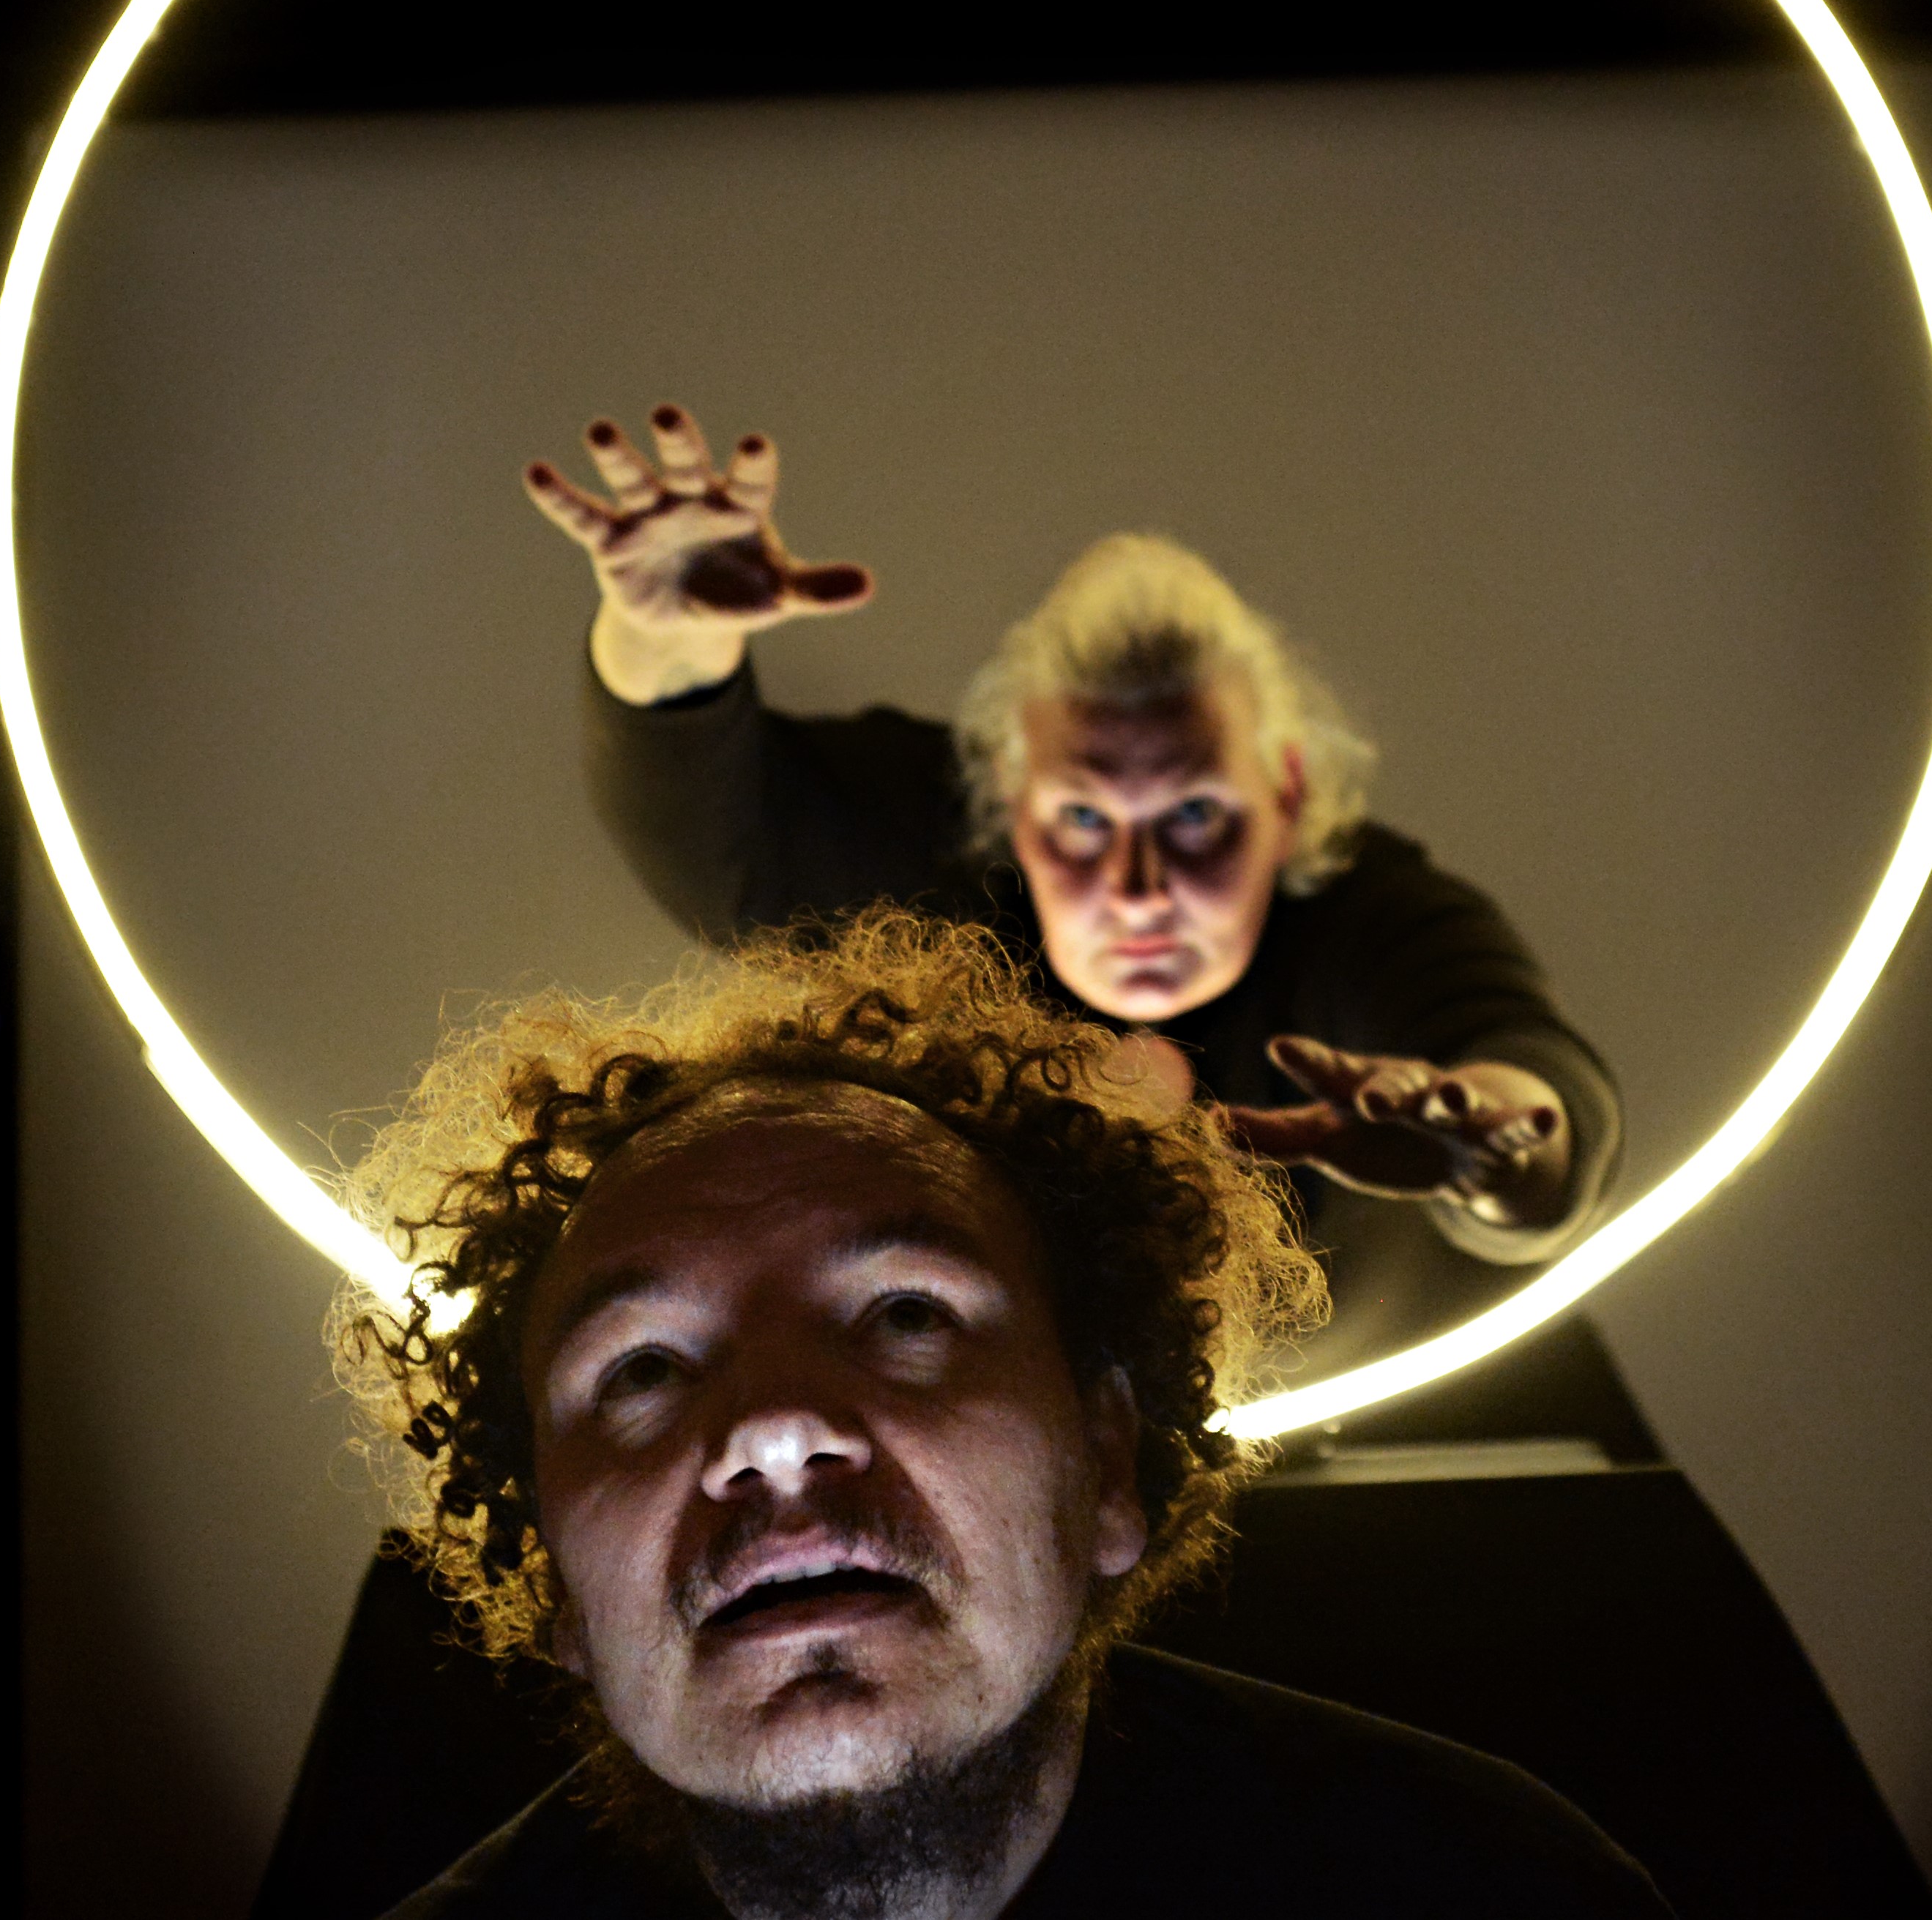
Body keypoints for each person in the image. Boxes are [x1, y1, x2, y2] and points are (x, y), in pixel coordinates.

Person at [340, 911, 1676, 1919]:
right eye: (640, 1371)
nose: (776, 1427)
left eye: (904, 1315)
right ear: (560, 1583)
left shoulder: (1497, 1891)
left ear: (1107, 1461)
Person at [526, 404, 1644, 1448]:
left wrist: (1496, 1148)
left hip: (1422, 1449)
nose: (1138, 884)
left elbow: (1527, 1073)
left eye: (1195, 816)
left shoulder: (1370, 913)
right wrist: (664, 638)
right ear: (1011, 801)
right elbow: (707, 817)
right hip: (1022, 1467)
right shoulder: (933, 867)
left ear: (1288, 794)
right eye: (1081, 819)